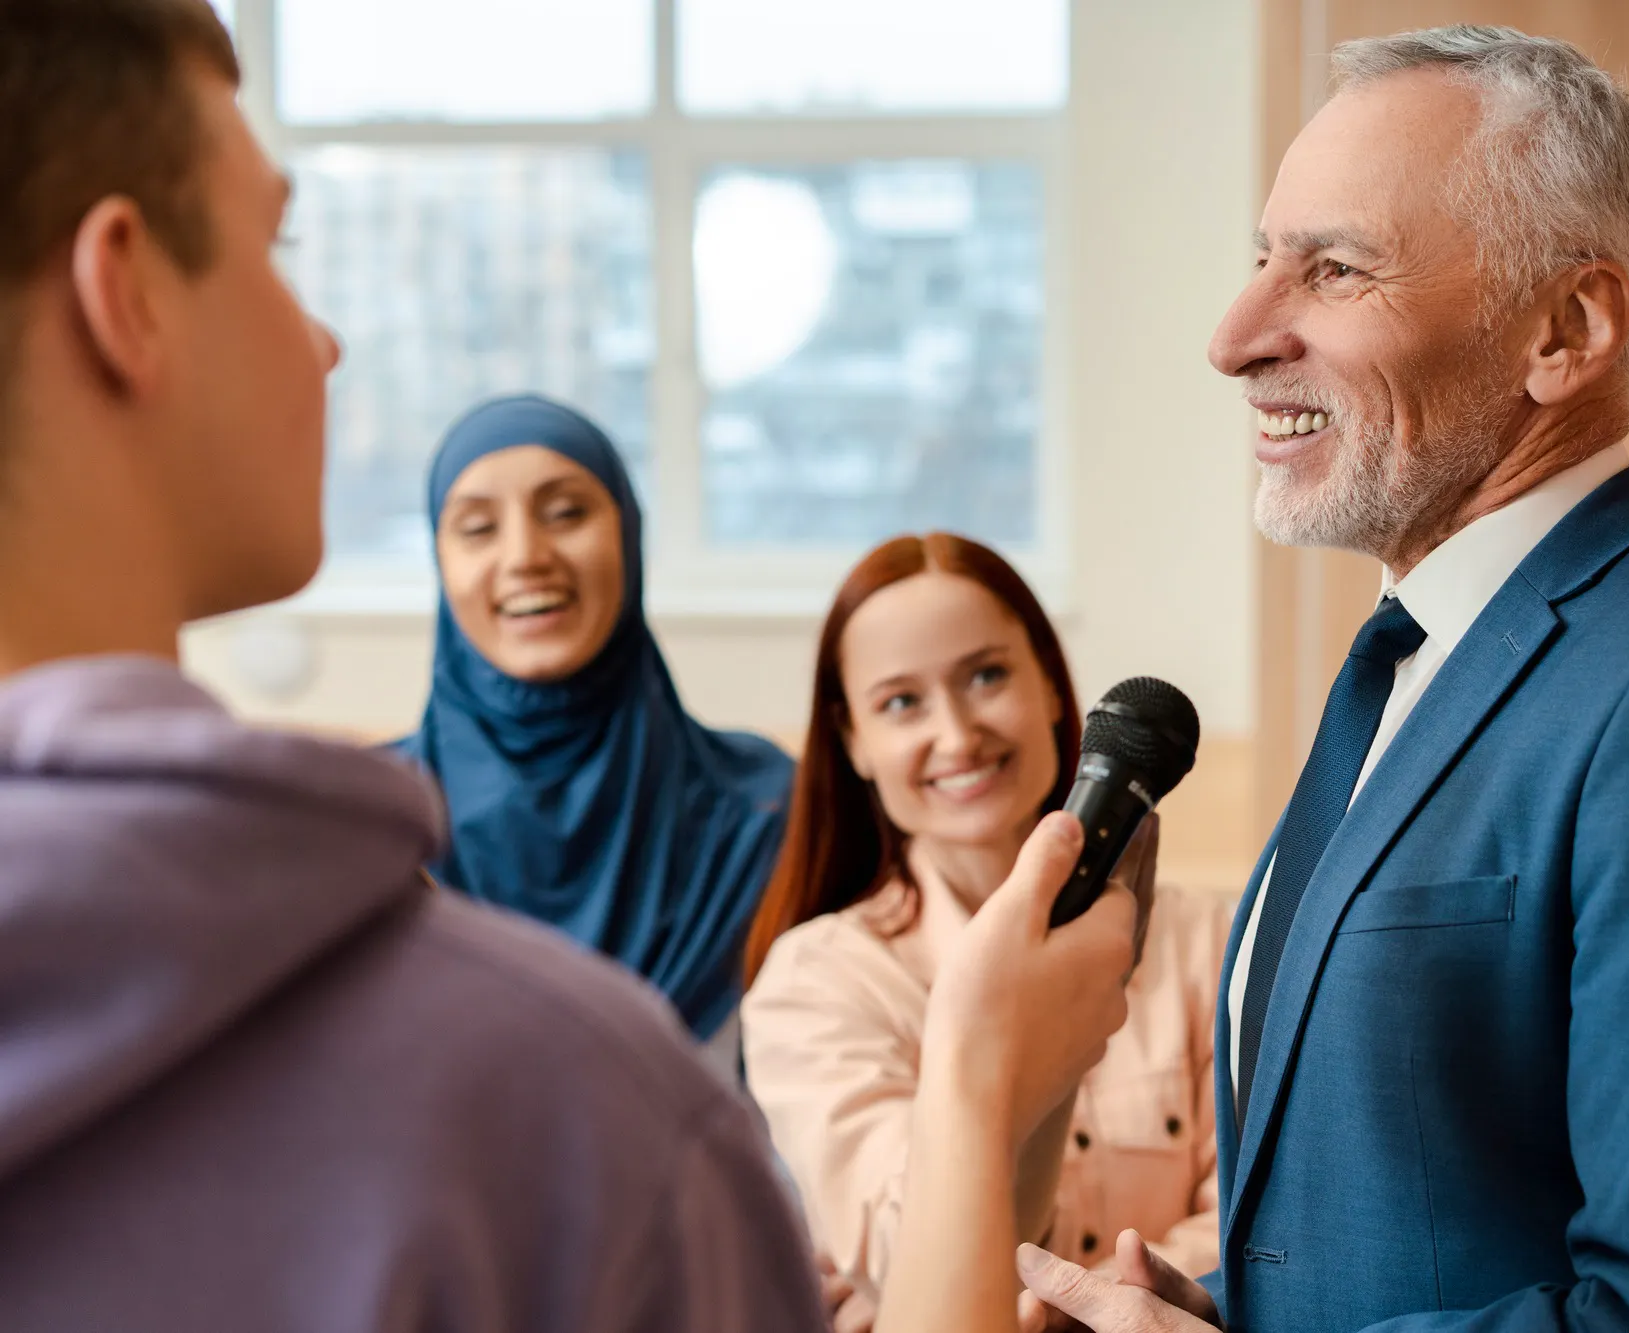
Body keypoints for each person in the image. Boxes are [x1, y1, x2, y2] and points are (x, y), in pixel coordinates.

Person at [895, 25, 1629, 1333]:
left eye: (1333, 270)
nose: (1234, 338)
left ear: (1565, 329)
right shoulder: (1412, 651)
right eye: (1260, 261)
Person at [0, 2, 822, 1326]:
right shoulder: (591, 1134)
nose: (322, 341)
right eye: (278, 249)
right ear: (128, 293)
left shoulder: (759, 836)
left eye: (567, 509)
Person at [741, 532, 1232, 1325]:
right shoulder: (815, 982)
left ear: (1046, 681)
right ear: (853, 740)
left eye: (987, 674)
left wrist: (1087, 1301)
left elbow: (1258, 1215)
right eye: (902, 702)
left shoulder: (1207, 939)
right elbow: (907, 1255)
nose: (959, 733)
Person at [394, 394, 792, 1064]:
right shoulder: (376, 829)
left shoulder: (768, 814)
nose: (525, 556)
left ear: (629, 536)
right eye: (478, 527)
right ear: (440, 563)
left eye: (566, 513)